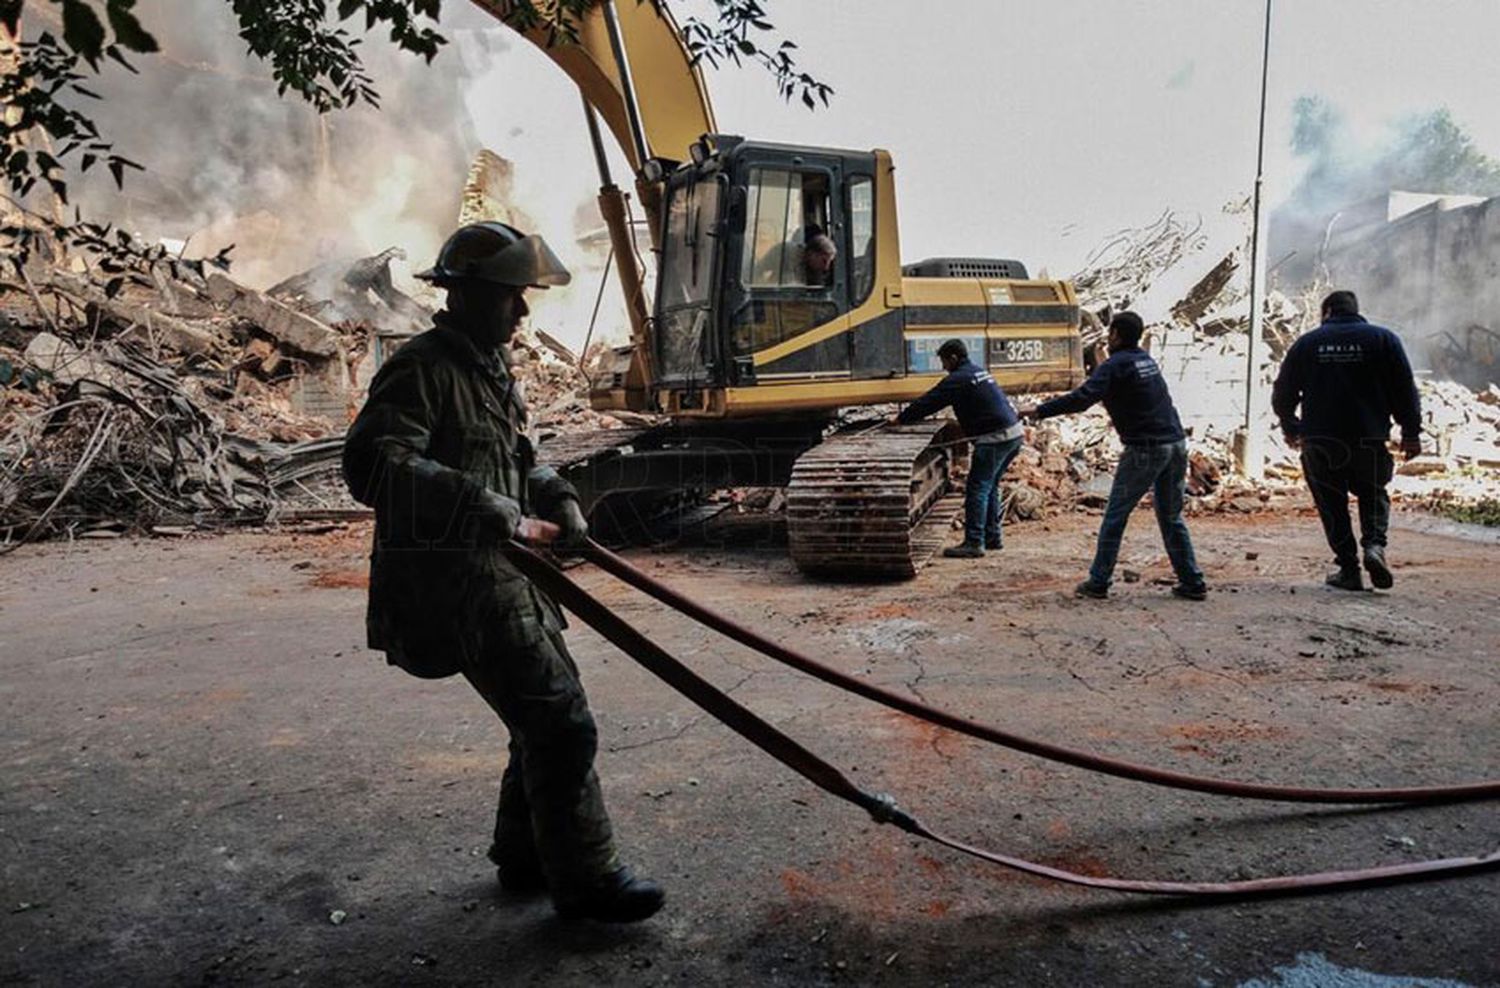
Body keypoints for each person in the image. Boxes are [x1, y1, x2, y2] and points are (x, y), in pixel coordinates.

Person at [341, 222, 664, 923]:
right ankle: (587, 881)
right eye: (511, 297)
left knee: (543, 720)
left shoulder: (487, 366)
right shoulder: (422, 368)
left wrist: (555, 495)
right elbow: (372, 465)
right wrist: (481, 503)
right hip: (459, 583)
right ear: (464, 296)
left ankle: (527, 856)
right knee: (560, 721)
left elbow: (515, 458)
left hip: (509, 576)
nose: (523, 312)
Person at [1017, 311, 1207, 600]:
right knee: (1171, 517)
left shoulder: (1116, 365)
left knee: (1115, 516)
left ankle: (1099, 581)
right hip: (1176, 444)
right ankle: (1192, 581)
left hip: (1145, 447)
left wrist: (1039, 410)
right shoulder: (1146, 360)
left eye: (1110, 332)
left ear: (1115, 334)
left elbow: (1083, 398)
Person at [1271, 290, 1422, 591]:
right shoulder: (1384, 339)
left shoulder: (1307, 343)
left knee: (1331, 503)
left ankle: (1349, 569)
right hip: (1368, 437)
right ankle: (1375, 547)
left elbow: (1283, 392)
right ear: (1355, 310)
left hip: (1321, 440)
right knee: (1373, 492)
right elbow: (1405, 389)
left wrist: (1291, 426)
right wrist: (1411, 432)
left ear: (1326, 311)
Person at [891, 338, 1025, 557]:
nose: (943, 367)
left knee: (978, 488)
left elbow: (930, 401)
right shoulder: (976, 371)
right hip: (1013, 435)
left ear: (953, 358)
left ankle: (974, 543)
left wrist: (901, 418)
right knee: (990, 486)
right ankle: (993, 537)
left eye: (944, 361)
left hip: (995, 438)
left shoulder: (958, 379)